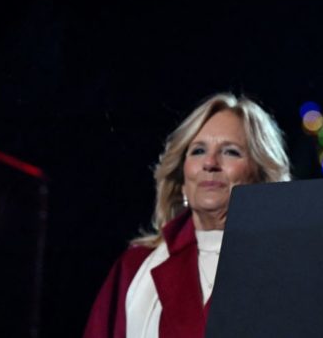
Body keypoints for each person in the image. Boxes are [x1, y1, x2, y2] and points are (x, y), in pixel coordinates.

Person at [84, 93, 291, 338]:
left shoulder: (288, 267)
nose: (210, 163)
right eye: (198, 150)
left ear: (262, 176)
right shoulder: (135, 267)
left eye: (231, 152)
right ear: (182, 180)